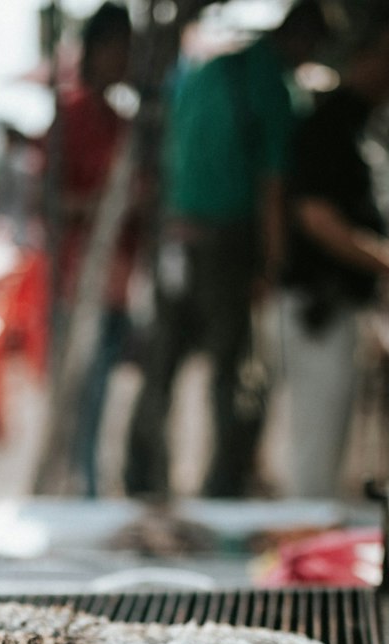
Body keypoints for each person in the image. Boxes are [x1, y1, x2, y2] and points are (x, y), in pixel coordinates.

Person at [124, 1, 332, 500]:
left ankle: (144, 479)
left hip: (177, 235)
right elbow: (273, 185)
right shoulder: (271, 86)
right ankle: (224, 488)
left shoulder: (206, 71)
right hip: (226, 240)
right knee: (234, 374)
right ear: (301, 40)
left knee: (164, 366)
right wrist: (273, 266)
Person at [279, 5, 389, 498]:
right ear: (362, 54)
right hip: (316, 308)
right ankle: (305, 566)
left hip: (342, 310)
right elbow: (317, 219)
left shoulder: (362, 125)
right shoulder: (329, 123)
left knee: (331, 455)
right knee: (315, 457)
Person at [51, 2, 141, 496]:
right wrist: (106, 205)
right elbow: (52, 202)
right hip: (78, 282)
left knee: (105, 401)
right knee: (79, 404)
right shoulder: (72, 117)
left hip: (119, 284)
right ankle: (80, 494)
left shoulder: (123, 121)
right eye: (120, 49)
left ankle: (94, 490)